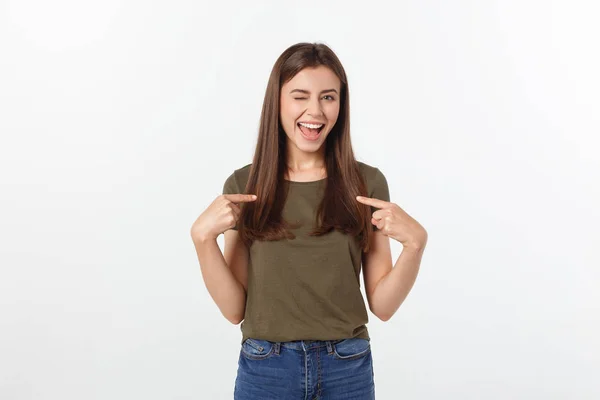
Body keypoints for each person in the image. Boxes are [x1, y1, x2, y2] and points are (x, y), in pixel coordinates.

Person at [190, 42, 428, 400]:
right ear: (279, 102)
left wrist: (416, 244)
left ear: (341, 105)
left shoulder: (366, 184)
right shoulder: (245, 186)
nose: (315, 111)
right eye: (300, 96)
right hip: (266, 368)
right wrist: (201, 240)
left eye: (328, 97)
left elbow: (383, 305)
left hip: (347, 367)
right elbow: (233, 309)